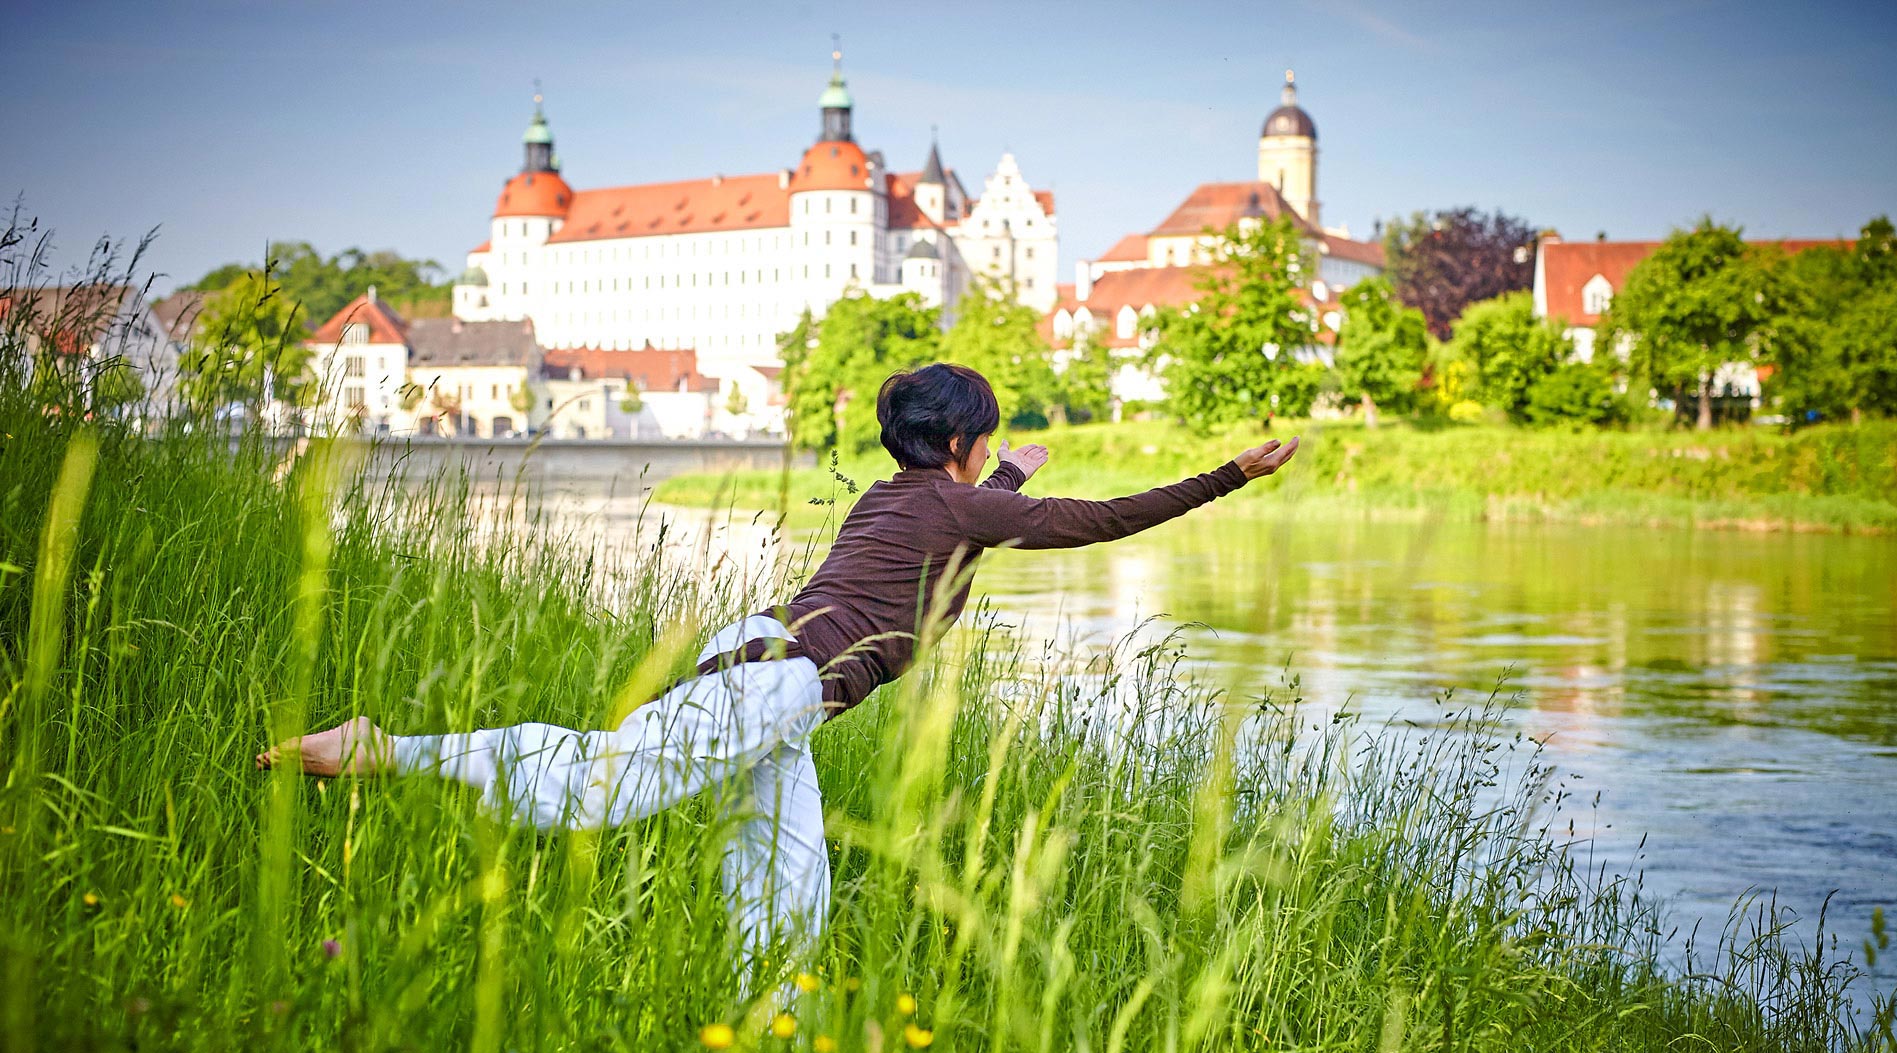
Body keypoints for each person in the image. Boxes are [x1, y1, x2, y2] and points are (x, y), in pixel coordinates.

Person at [257, 362, 1301, 986]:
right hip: (777, 681)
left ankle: (775, 1036)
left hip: (762, 666)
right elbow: (1102, 521)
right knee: (596, 786)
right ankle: (379, 749)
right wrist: (1230, 476)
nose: (990, 461)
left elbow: (972, 533)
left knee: (788, 884)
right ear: (961, 444)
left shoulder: (903, 498)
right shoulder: (954, 503)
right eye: (984, 447)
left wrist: (1012, 474)